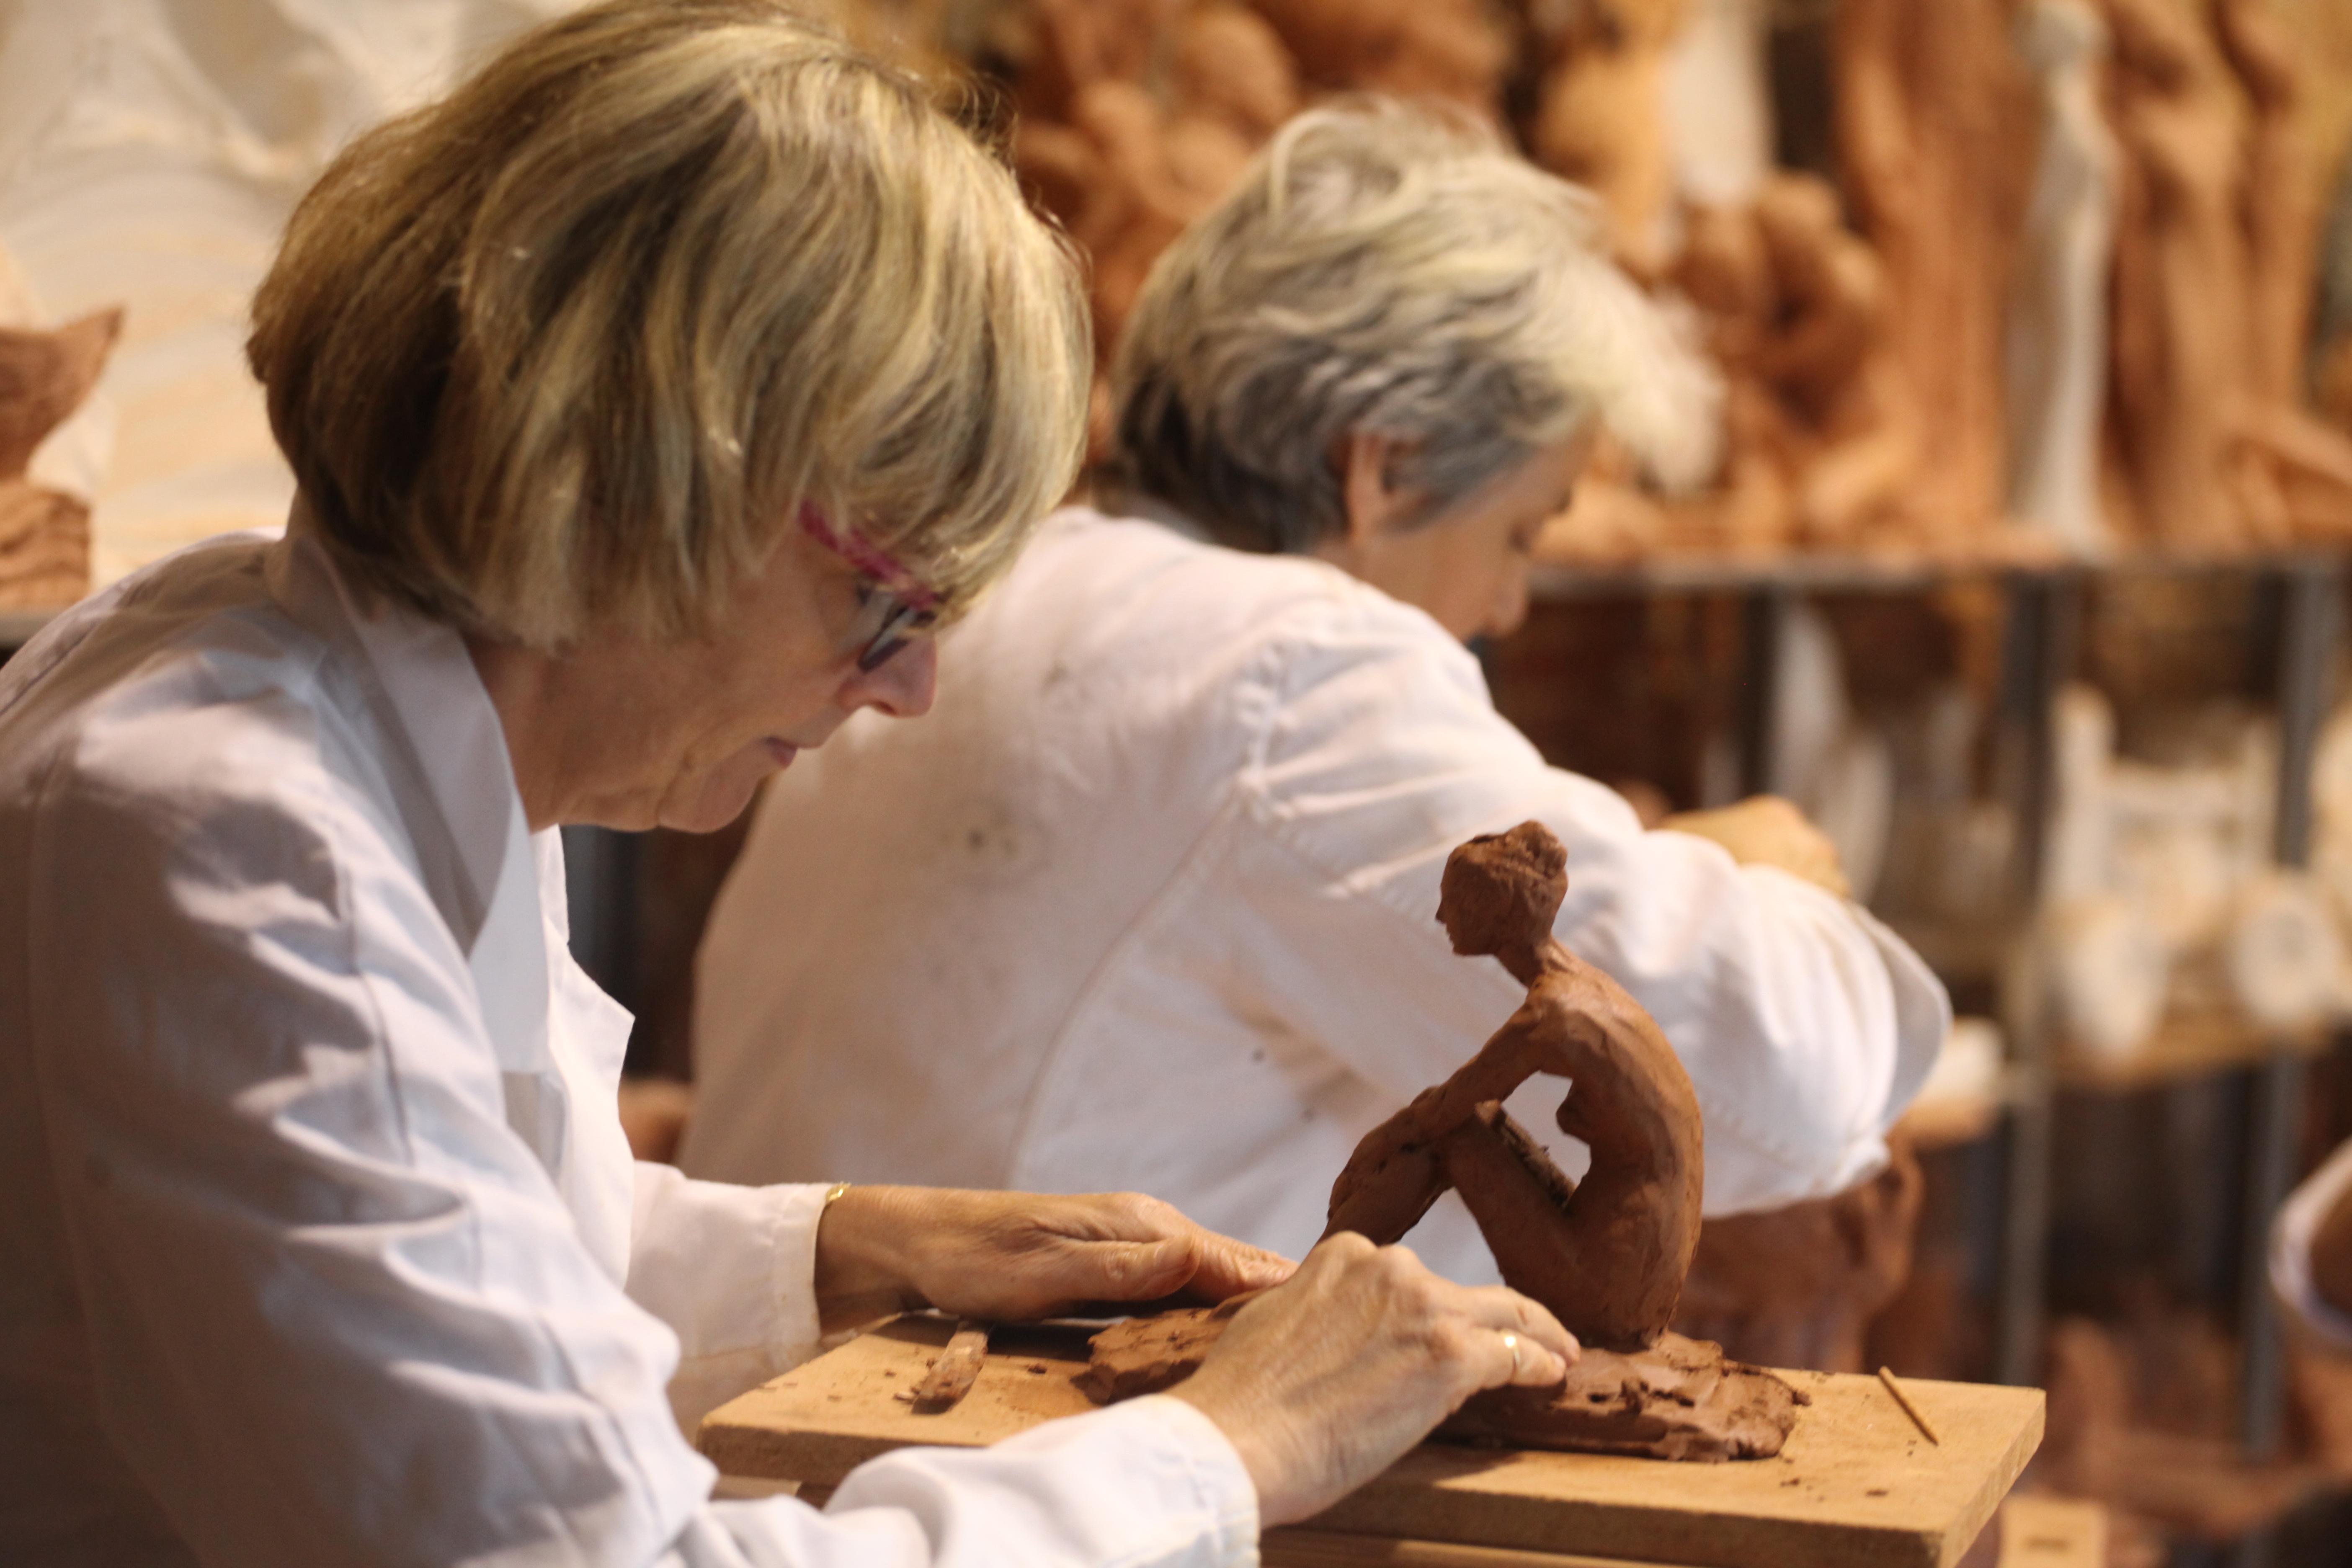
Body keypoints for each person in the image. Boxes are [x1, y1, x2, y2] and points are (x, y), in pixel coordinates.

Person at [0, 10, 1580, 1566]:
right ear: (656, 480)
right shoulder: (252, 859)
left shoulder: (355, 707)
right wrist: (1232, 1448)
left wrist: (840, 1249)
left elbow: (462, 1240)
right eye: (892, 602)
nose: (910, 688)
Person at [686, 103, 1952, 1287]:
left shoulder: (1005, 595)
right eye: (1522, 531)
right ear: (1386, 473)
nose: (1511, 606)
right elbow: (1764, 1083)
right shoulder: (1287, 676)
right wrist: (1776, 885)